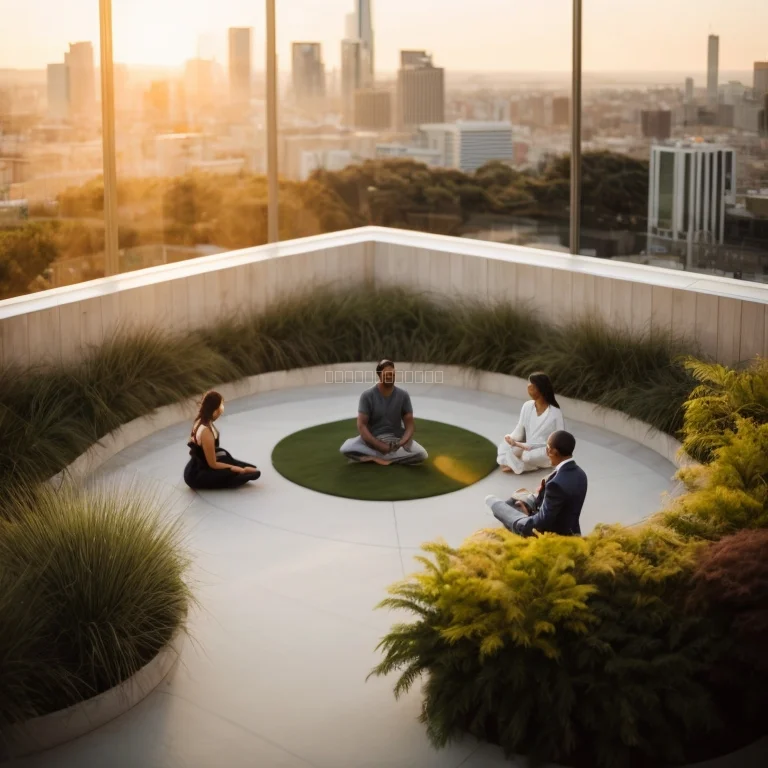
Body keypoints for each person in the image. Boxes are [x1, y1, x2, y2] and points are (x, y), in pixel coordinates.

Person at [485, 430, 587, 537]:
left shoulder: (555, 484)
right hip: (570, 528)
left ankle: (515, 525)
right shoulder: (580, 474)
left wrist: (528, 516)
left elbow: (542, 521)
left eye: (548, 449)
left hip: (550, 533)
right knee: (515, 500)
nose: (546, 452)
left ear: (554, 452)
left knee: (491, 501)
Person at [340, 359, 428, 466]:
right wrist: (379, 445)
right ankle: (381, 456)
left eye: (392, 374)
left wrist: (401, 443)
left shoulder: (403, 395)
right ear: (379, 375)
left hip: (396, 440)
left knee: (422, 454)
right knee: (346, 448)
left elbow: (409, 425)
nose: (390, 376)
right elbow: (361, 425)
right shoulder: (367, 396)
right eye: (386, 374)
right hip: (373, 441)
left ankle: (382, 459)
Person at [183, 391, 261, 490]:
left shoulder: (202, 420)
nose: (222, 410)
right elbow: (213, 464)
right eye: (221, 407)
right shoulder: (206, 432)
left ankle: (240, 469)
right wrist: (237, 469)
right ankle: (238, 471)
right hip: (198, 474)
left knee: (230, 457)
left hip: (202, 464)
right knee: (252, 474)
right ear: (215, 410)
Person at [497, 372, 565, 474]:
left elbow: (561, 437)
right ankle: (523, 465)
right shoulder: (527, 406)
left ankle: (519, 465)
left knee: (527, 456)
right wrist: (510, 438)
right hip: (526, 446)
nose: (528, 390)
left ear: (541, 389)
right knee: (503, 451)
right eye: (528, 387)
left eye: (532, 388)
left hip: (545, 451)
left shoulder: (555, 412)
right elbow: (519, 431)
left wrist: (559, 457)